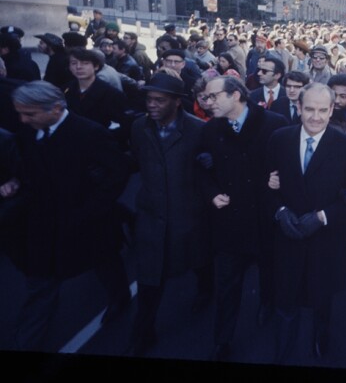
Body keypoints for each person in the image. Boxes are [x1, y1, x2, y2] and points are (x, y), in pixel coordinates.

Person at [10, 81, 131, 350]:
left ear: (55, 109)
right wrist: (15, 180)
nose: (23, 120)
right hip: (45, 222)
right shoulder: (28, 131)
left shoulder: (89, 133)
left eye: (30, 114)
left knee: (104, 261)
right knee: (41, 283)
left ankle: (120, 298)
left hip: (87, 220)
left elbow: (117, 173)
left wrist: (91, 210)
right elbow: (25, 165)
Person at [265, 83, 346, 363]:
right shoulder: (279, 139)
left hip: (326, 241)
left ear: (332, 109)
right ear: (298, 107)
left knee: (322, 298)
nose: (315, 117)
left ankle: (321, 334)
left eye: (323, 110)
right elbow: (265, 186)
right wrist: (280, 210)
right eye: (309, 109)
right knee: (285, 297)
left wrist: (323, 217)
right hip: (287, 236)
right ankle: (283, 348)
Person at [197, 75, 288, 361]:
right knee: (227, 284)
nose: (207, 102)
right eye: (206, 97)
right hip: (230, 220)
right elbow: (199, 169)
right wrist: (212, 193)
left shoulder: (274, 124)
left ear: (235, 95)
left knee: (269, 270)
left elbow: (290, 165)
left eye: (213, 96)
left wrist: (280, 181)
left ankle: (267, 302)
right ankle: (222, 340)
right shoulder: (210, 130)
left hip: (265, 218)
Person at [126, 73, 212, 355]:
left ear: (176, 102)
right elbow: (138, 160)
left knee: (198, 261)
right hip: (151, 216)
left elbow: (210, 173)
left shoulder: (199, 130)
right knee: (151, 277)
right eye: (149, 99)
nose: (152, 105)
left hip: (188, 216)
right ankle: (143, 332)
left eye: (159, 100)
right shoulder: (139, 127)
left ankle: (206, 289)